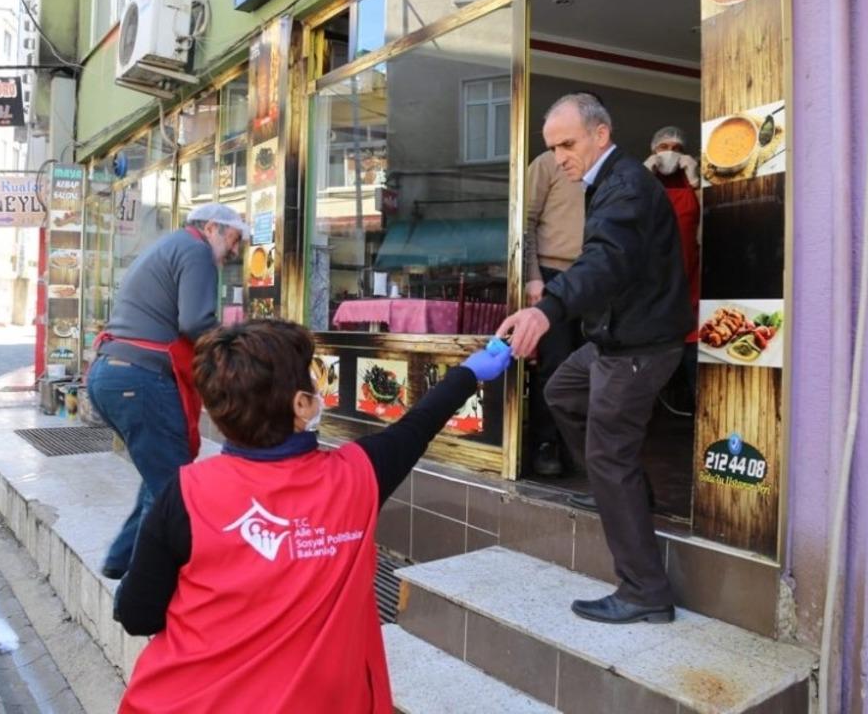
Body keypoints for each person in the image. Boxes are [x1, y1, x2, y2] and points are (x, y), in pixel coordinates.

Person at [112, 320, 513, 712]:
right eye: (312, 382)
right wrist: (469, 371)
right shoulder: (358, 477)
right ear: (301, 405)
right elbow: (419, 424)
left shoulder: (184, 494)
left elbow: (136, 613)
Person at [496, 93, 692, 625]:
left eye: (567, 143)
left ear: (600, 135)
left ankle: (644, 590)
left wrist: (549, 309)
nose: (558, 156)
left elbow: (604, 259)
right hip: (615, 341)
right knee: (562, 390)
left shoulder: (625, 185)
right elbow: (608, 262)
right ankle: (625, 491)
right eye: (552, 147)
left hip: (639, 346)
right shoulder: (604, 181)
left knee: (608, 456)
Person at [87, 203, 248, 580]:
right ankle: (153, 587)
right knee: (174, 491)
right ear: (212, 228)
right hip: (141, 379)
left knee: (161, 476)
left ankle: (120, 559)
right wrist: (241, 347)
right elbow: (195, 322)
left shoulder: (171, 245)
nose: (236, 251)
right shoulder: (196, 251)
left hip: (113, 373)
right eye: (235, 239)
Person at [523, 148, 585, 477]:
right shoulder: (546, 164)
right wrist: (533, 276)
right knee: (554, 365)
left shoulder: (603, 167)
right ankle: (545, 444)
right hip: (551, 275)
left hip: (593, 277)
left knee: (592, 368)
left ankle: (578, 448)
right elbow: (526, 221)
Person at [643, 126, 701, 410]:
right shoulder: (643, 181)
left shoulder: (692, 182)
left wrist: (696, 178)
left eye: (677, 149)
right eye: (664, 147)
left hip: (691, 282)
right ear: (654, 151)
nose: (671, 153)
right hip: (653, 285)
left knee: (694, 356)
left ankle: (701, 416)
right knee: (649, 359)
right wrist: (644, 176)